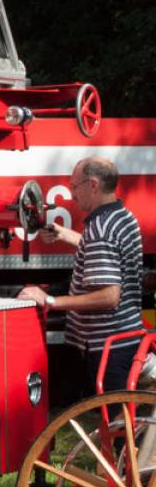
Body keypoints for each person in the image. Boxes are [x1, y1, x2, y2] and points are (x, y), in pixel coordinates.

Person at [20, 156, 146, 392]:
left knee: (117, 422)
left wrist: (49, 301)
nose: (72, 194)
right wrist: (64, 235)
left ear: (94, 185)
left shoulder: (100, 230)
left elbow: (109, 296)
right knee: (124, 421)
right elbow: (110, 250)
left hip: (107, 349)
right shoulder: (122, 217)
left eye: (74, 186)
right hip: (125, 340)